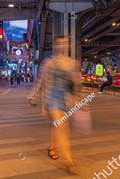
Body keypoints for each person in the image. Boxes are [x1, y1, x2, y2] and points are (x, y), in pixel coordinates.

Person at [27, 36, 81, 171]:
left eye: (65, 43)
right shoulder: (49, 63)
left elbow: (75, 85)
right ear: (55, 46)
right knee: (62, 127)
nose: (62, 46)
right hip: (52, 100)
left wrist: (80, 99)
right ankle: (68, 159)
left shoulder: (72, 63)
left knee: (57, 126)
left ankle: (51, 147)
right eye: (59, 44)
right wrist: (32, 95)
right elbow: (40, 81)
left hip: (65, 101)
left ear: (68, 46)